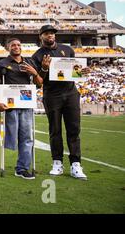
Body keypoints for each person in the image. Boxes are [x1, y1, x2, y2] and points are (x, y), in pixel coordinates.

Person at [32, 25, 88, 180]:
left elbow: (74, 71)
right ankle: (57, 162)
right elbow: (38, 82)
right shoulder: (37, 55)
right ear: (41, 36)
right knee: (55, 130)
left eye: (52, 33)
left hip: (70, 92)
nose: (50, 35)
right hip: (52, 95)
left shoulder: (67, 49)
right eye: (47, 33)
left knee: (74, 129)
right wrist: (43, 68)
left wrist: (81, 72)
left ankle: (75, 164)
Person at [0, 38, 41, 180]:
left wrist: (34, 73)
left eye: (18, 45)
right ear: (8, 47)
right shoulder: (2, 64)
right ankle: (17, 165)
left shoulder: (30, 63)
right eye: (13, 45)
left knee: (27, 138)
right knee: (12, 137)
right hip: (10, 106)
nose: (16, 47)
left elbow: (39, 84)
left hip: (26, 106)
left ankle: (22, 168)